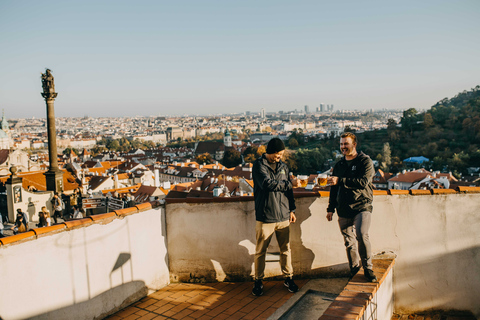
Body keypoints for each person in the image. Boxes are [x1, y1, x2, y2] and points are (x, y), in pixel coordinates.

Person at [251, 137, 301, 296]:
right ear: (270, 152)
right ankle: (258, 281)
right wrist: (289, 184)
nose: (280, 157)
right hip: (265, 216)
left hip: (283, 215)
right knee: (260, 251)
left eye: (281, 155)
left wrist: (292, 209)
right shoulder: (259, 166)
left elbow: (288, 191)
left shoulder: (284, 167)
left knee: (286, 250)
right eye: (278, 155)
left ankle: (288, 277)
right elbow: (267, 184)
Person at [326, 132, 377, 282]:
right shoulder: (339, 165)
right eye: (341, 144)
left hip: (362, 205)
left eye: (346, 144)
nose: (343, 147)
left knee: (361, 234)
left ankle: (368, 269)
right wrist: (330, 208)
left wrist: (340, 180)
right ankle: (354, 270)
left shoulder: (365, 162)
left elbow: (363, 182)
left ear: (354, 144)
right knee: (349, 242)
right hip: (343, 208)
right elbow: (334, 189)